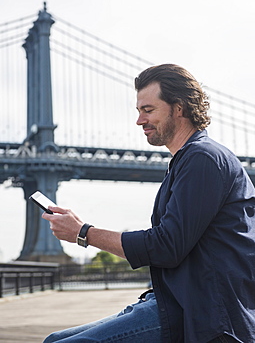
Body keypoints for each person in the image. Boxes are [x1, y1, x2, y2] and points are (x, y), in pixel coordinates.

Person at [42, 64, 255, 343]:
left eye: (148, 110)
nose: (140, 121)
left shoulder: (203, 159)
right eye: (139, 111)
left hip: (202, 312)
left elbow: (167, 247)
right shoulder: (188, 160)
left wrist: (84, 233)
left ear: (178, 108)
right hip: (172, 300)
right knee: (53, 339)